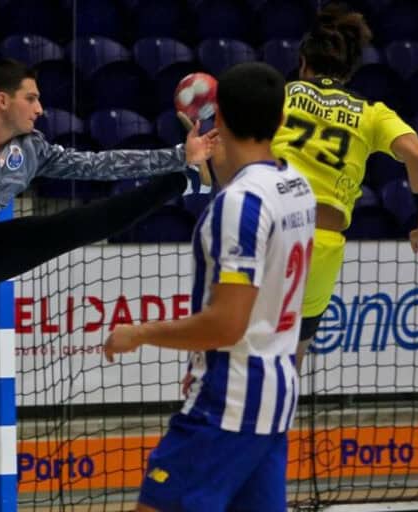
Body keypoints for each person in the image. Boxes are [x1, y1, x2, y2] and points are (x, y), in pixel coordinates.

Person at [0, 58, 215, 502]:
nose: (40, 108)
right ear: (2, 100)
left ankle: (182, 182)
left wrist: (176, 156)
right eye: (31, 97)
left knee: (80, 224)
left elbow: (98, 165)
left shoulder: (30, 149)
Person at [104, 62, 316, 512]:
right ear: (280, 121)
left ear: (219, 118)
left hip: (230, 397)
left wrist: (138, 333)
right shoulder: (296, 186)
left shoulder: (239, 204)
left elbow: (226, 324)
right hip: (275, 393)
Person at [269, 5, 418, 371]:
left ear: (303, 62)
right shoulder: (371, 112)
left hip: (270, 226)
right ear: (349, 70)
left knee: (241, 347)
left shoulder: (281, 94)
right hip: (323, 243)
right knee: (289, 361)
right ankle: (273, 424)